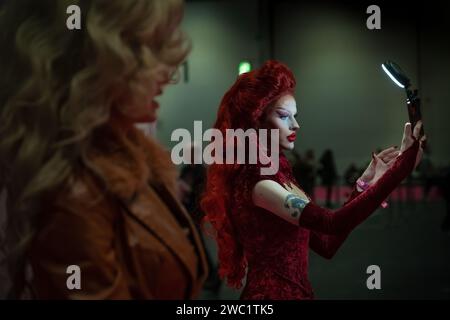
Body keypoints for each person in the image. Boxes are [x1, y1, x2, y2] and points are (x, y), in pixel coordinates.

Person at [0, 0, 207, 299]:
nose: (169, 74)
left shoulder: (127, 155)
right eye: (142, 49)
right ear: (89, 64)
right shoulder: (76, 193)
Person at [200, 60, 426, 300]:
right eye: (284, 116)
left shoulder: (279, 176)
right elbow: (333, 223)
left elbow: (327, 243)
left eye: (294, 116)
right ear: (256, 121)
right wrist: (401, 168)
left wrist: (366, 184)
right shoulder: (259, 185)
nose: (295, 124)